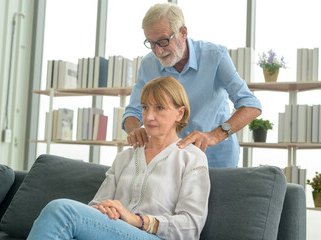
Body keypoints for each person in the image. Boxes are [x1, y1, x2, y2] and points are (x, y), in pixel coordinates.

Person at [27, 76, 210, 240]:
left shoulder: (192, 158)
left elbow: (190, 227)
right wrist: (106, 209)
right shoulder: (126, 157)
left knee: (61, 211)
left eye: (159, 108)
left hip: (157, 236)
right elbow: (97, 205)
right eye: (145, 107)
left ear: (180, 113)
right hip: (114, 230)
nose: (149, 116)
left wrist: (138, 220)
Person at [123, 3, 262, 168]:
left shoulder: (216, 57)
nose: (158, 51)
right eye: (152, 43)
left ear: (183, 32)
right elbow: (133, 112)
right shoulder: (148, 64)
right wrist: (135, 130)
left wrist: (214, 136)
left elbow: (251, 105)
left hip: (217, 160)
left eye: (163, 41)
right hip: (171, 159)